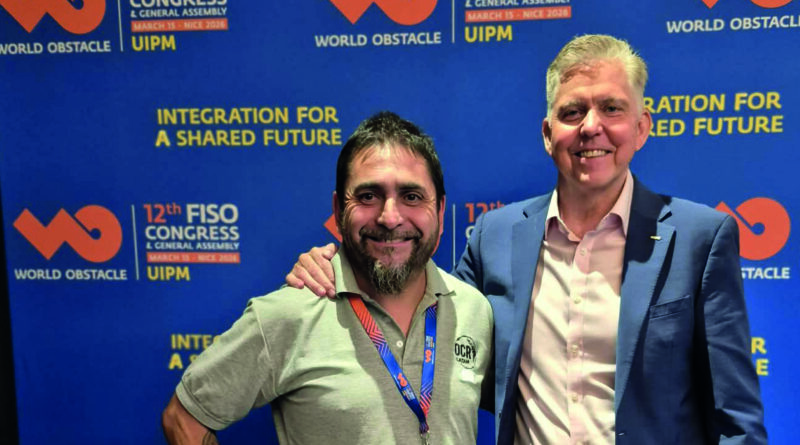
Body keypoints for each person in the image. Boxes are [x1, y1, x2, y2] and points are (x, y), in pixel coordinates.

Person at [285, 35, 767, 444]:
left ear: (641, 127)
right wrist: (335, 266)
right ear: (547, 133)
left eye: (611, 108)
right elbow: (421, 312)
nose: (591, 126)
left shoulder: (700, 238)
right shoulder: (493, 236)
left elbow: (737, 418)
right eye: (572, 111)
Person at [162, 111, 493, 444]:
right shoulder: (288, 313)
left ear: (440, 211)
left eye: (412, 196)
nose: (390, 217)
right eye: (368, 196)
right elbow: (183, 419)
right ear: (338, 210)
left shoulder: (474, 311)